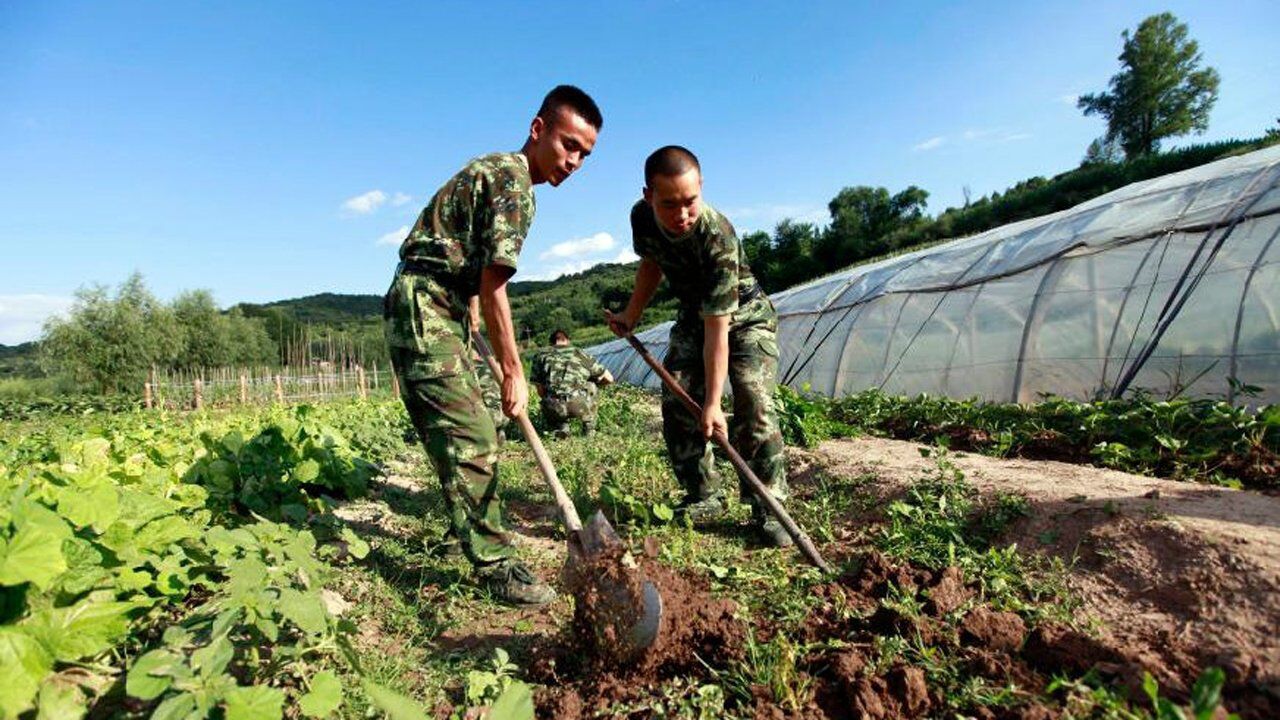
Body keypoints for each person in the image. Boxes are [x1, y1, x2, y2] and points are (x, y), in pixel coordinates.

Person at [384, 85, 602, 605]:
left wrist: (473, 313)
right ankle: (495, 565)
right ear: (538, 129)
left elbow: (474, 265)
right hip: (428, 306)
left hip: (441, 303)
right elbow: (497, 282)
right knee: (474, 435)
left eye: (585, 155)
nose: (573, 162)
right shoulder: (516, 183)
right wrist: (514, 368)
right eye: (569, 145)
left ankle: (469, 524)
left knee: (465, 431)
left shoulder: (496, 169)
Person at [605, 145, 792, 547]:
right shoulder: (642, 219)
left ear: (701, 188)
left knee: (752, 400)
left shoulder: (717, 236)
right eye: (669, 204)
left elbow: (719, 329)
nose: (682, 215)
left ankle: (769, 505)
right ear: (648, 197)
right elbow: (651, 264)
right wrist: (631, 315)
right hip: (695, 313)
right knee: (676, 398)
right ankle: (704, 494)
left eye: (690, 201)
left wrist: (712, 403)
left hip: (743, 317)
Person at [530, 329, 614, 437]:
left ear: (551, 343)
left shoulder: (540, 356)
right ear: (567, 341)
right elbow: (609, 378)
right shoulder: (580, 353)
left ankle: (561, 426)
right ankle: (589, 428)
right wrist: (597, 384)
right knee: (592, 385)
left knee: (551, 393)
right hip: (578, 405)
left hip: (552, 408)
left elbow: (540, 391)